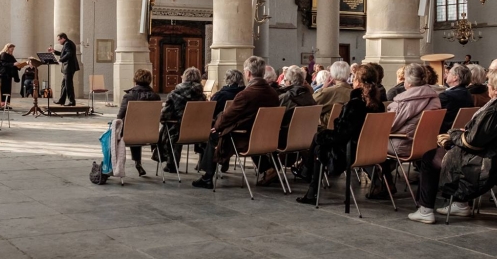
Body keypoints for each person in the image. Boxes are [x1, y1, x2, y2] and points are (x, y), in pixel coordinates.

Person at [408, 67, 497, 224]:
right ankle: (460, 203)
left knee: (429, 157)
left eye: (489, 85)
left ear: (494, 89)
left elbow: (473, 141)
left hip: (484, 162)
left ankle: (425, 209)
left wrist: (454, 134)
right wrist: (465, 133)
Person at [296, 64, 385, 204]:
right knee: (320, 140)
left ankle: (309, 185)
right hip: (372, 150)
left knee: (319, 144)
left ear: (357, 82)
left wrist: (324, 134)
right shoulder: (379, 105)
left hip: (351, 151)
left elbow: (341, 135)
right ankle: (307, 175)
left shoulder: (355, 104)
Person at [192, 56, 280, 189]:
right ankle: (267, 168)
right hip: (265, 136)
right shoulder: (273, 93)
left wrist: (217, 126)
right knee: (227, 131)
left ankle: (208, 177)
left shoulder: (246, 94)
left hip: (243, 137)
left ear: (248, 73)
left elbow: (228, 115)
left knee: (214, 136)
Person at [373, 63, 440, 199]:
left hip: (404, 143)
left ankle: (383, 185)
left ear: (408, 81)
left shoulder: (403, 102)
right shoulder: (435, 98)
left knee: (370, 145)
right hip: (426, 144)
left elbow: (389, 127)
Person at [158, 67, 206, 174]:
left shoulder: (174, 94)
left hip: (179, 130)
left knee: (169, 129)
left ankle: (172, 164)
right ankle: (202, 163)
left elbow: (164, 115)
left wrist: (164, 120)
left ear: (184, 78)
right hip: (199, 132)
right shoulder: (202, 96)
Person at [116, 69, 160, 177]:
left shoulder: (129, 96)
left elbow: (119, 116)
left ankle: (114, 167)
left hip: (131, 134)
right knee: (139, 128)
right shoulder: (156, 97)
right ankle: (153, 152)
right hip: (151, 135)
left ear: (135, 80)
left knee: (131, 128)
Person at [314, 61, 353, 128]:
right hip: (348, 130)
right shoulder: (353, 92)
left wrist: (323, 88)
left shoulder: (329, 92)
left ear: (332, 75)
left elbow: (311, 103)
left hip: (328, 130)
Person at [439, 64, 473, 133]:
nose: (446, 75)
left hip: (445, 134)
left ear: (455, 78)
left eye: (448, 73)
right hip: (462, 132)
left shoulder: (446, 96)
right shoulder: (468, 94)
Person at [52, 33, 80, 106]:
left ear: (63, 38)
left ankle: (72, 101)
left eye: (59, 39)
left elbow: (69, 54)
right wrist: (54, 51)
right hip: (68, 67)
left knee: (68, 85)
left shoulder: (67, 44)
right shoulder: (67, 43)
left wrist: (60, 60)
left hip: (69, 67)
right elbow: (63, 53)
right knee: (64, 84)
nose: (58, 41)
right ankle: (62, 100)